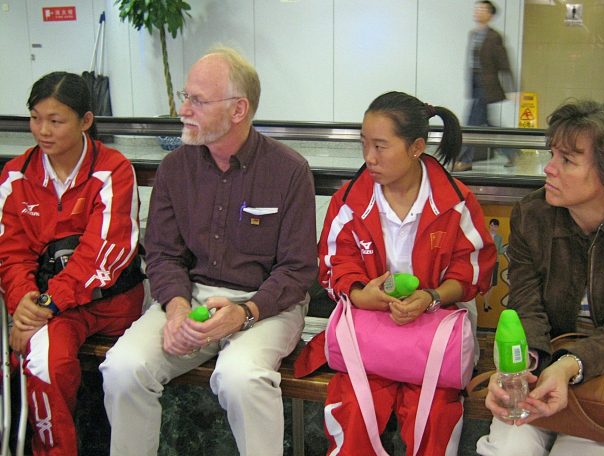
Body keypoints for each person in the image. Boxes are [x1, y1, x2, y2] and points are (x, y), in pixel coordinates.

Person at [99, 47, 318, 456]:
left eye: (197, 100)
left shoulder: (289, 171)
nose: (183, 110)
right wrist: (177, 309)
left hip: (266, 304)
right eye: (186, 96)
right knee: (123, 368)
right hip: (191, 297)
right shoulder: (174, 168)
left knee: (242, 377)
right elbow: (163, 254)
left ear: (238, 109)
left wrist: (245, 312)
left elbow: (296, 269)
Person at [477, 99, 604, 456]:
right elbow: (526, 305)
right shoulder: (532, 215)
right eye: (552, 155)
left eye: (567, 160)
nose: (549, 168)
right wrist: (520, 370)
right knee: (509, 449)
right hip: (546, 354)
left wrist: (570, 366)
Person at [297, 91, 496, 455]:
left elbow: (472, 269)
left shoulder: (455, 203)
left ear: (416, 147)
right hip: (372, 333)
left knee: (434, 416)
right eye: (364, 144)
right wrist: (361, 295)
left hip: (434, 332)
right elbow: (333, 263)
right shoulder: (351, 201)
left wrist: (432, 297)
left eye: (380, 146)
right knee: (354, 412)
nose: (369, 157)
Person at [0, 71, 145, 455]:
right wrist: (23, 301)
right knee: (41, 358)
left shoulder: (113, 169)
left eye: (55, 120)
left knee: (49, 359)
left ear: (85, 121)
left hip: (106, 303)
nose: (43, 131)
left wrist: (44, 306)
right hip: (45, 306)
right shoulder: (16, 175)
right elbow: (10, 252)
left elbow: (103, 253)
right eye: (35, 118)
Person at [452, 0, 516, 172]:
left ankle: (465, 161)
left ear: (490, 15)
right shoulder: (473, 34)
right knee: (488, 123)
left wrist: (512, 89)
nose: (478, 11)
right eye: (477, 8)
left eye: (482, 9)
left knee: (471, 124)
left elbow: (504, 63)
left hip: (486, 86)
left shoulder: (494, 37)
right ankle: (512, 152)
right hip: (475, 84)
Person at [483, 218, 505, 312]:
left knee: (493, 284)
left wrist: (507, 249)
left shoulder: (499, 237)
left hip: (495, 261)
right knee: (487, 283)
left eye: (495, 226)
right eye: (492, 225)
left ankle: (486, 302)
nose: (493, 227)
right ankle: (486, 304)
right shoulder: (485, 236)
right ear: (489, 225)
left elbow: (500, 250)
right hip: (486, 262)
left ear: (497, 227)